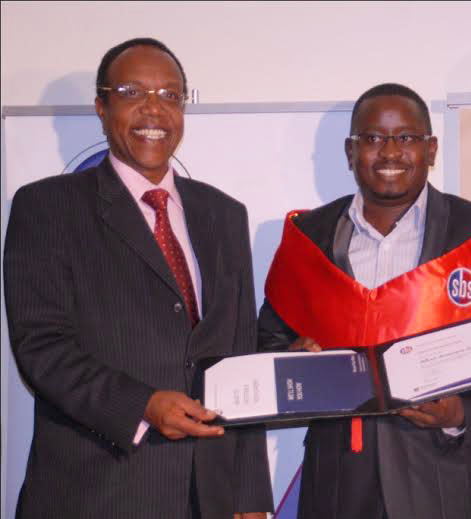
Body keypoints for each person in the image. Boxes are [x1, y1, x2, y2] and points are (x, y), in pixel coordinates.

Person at [4, 38, 273, 519]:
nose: (154, 109)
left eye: (170, 95)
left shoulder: (224, 214)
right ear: (101, 108)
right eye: (132, 92)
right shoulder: (47, 207)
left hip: (206, 497)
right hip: (95, 493)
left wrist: (250, 496)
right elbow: (41, 349)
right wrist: (142, 405)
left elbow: (240, 353)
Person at [258, 83, 471, 519]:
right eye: (372, 138)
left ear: (431, 149)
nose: (389, 152)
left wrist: (461, 413)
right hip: (337, 486)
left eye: (406, 137)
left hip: (443, 484)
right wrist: (293, 366)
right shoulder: (308, 238)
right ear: (351, 151)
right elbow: (267, 345)